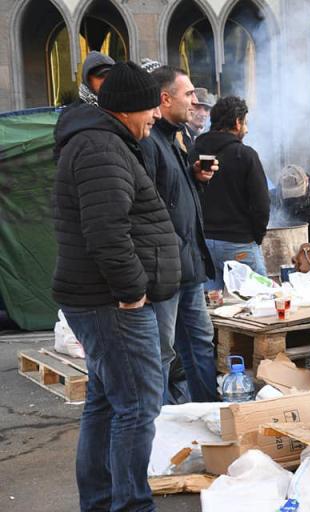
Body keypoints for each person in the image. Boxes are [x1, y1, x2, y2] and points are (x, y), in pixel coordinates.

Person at [52, 61, 180, 511]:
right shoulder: (101, 147)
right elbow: (106, 231)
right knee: (138, 408)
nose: (155, 116)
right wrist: (132, 292)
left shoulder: (104, 141)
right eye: (150, 108)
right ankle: (129, 506)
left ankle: (104, 502)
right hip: (113, 304)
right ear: (128, 108)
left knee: (107, 405)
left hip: (101, 300)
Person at [141, 66, 218, 403]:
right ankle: (157, 430)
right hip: (166, 271)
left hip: (189, 269)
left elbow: (175, 199)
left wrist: (195, 178)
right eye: (188, 94)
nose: (194, 101)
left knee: (201, 343)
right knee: (161, 354)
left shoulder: (175, 139)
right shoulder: (149, 142)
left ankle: (209, 412)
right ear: (164, 98)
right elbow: (146, 210)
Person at [191, 96, 271, 293]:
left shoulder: (193, 152)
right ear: (237, 122)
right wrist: (256, 237)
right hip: (240, 244)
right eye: (245, 122)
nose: (247, 129)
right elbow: (261, 204)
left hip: (204, 245)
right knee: (261, 302)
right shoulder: (245, 155)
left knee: (213, 310)